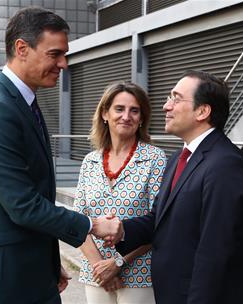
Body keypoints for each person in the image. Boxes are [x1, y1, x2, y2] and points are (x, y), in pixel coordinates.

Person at [0, 7, 121, 304]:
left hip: (23, 269)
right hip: (1, 281)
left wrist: (48, 262)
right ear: (21, 49)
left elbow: (34, 195)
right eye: (55, 54)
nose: (63, 64)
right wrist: (91, 225)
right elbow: (23, 205)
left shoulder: (20, 102)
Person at [101, 70, 243, 304]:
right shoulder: (179, 158)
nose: (166, 106)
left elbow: (216, 252)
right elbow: (160, 219)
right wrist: (121, 229)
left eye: (175, 98)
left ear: (202, 111)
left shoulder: (226, 164)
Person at [73, 81, 166, 304]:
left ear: (142, 118)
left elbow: (161, 220)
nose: (127, 116)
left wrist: (117, 264)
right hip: (95, 273)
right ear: (105, 113)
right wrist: (101, 269)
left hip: (139, 274)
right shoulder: (90, 162)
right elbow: (78, 220)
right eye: (119, 109)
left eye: (134, 110)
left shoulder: (155, 159)